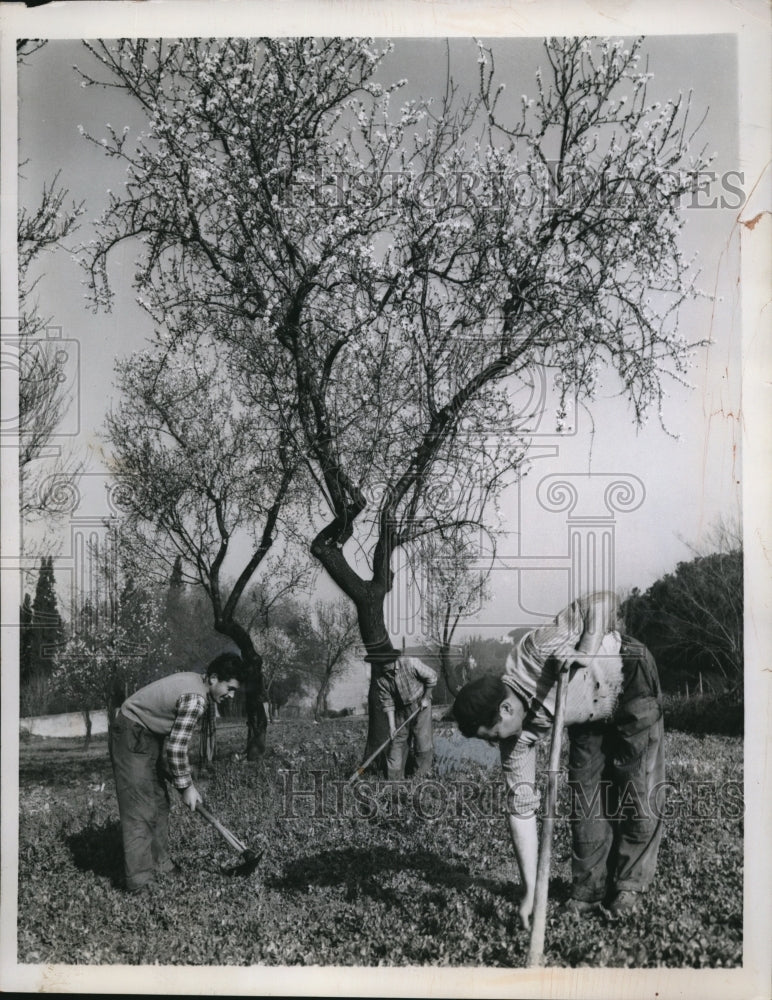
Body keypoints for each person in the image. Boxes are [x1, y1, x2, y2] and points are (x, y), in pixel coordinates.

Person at [452, 591, 664, 926]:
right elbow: (521, 809)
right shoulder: (515, 741)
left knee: (635, 786)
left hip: (627, 676)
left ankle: (628, 884)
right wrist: (531, 892)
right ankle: (587, 890)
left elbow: (601, 600)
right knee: (585, 795)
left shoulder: (536, 650)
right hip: (583, 713)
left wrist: (586, 648)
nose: (496, 746)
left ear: (505, 710)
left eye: (492, 737)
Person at [110, 652, 249, 892]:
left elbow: (172, 742)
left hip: (149, 734)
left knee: (159, 802)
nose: (231, 695)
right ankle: (139, 882)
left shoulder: (198, 683)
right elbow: (176, 749)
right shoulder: (196, 699)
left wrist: (181, 780)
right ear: (214, 678)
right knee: (139, 807)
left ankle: (160, 864)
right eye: (230, 687)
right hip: (132, 732)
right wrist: (187, 787)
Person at [367, 641, 437, 779]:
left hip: (420, 704)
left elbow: (432, 676)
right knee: (396, 743)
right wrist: (392, 726)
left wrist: (426, 697)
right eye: (379, 664)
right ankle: (394, 780)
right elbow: (387, 702)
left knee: (422, 740)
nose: (383, 667)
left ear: (392, 660)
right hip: (400, 711)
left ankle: (421, 776)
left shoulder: (410, 663)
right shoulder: (381, 679)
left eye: (385, 663)